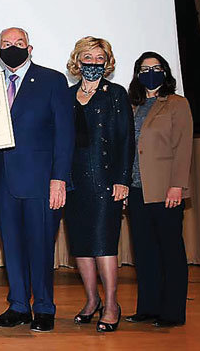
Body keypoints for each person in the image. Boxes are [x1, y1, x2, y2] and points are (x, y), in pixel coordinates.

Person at [0, 27, 74, 333]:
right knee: (11, 247)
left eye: (19, 43)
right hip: (1, 181)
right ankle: (19, 306)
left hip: (40, 182)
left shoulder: (52, 81)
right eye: (7, 44)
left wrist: (59, 179)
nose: (13, 48)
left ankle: (45, 308)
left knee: (40, 246)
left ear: (30, 48)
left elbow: (65, 134)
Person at [63, 37, 133, 333]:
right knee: (80, 244)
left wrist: (123, 181)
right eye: (87, 56)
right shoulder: (65, 95)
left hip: (105, 181)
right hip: (72, 182)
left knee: (104, 244)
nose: (92, 62)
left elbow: (127, 139)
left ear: (108, 61)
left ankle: (112, 304)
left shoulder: (116, 94)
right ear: (77, 60)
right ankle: (92, 301)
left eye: (99, 57)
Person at [124, 52, 192, 328]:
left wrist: (177, 185)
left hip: (165, 190)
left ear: (165, 72)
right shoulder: (132, 105)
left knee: (170, 252)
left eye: (156, 68)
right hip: (137, 189)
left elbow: (183, 147)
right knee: (144, 252)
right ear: (137, 74)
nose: (150, 72)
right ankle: (148, 307)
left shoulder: (176, 104)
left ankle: (173, 312)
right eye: (144, 68)